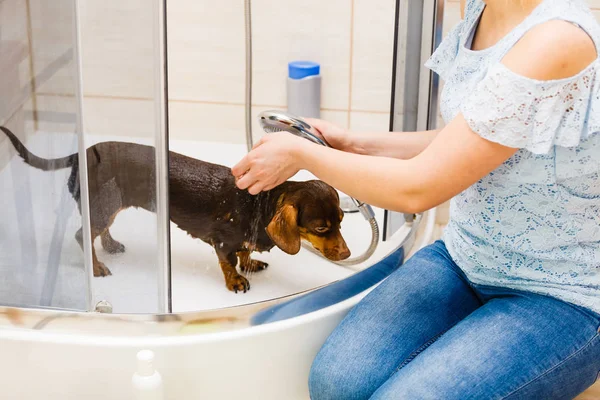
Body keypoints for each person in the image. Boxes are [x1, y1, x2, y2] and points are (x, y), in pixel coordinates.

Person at [232, 0, 600, 397]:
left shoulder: (557, 38)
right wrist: (353, 143)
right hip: (466, 257)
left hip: (558, 291)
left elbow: (417, 190)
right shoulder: (480, 10)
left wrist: (302, 154)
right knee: (336, 384)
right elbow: (471, 141)